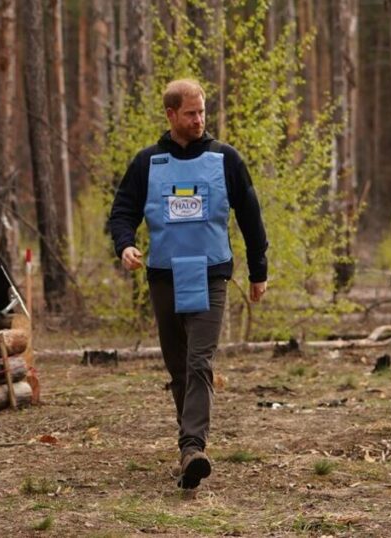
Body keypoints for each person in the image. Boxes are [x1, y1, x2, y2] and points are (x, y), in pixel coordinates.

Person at [108, 79, 269, 489]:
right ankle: (188, 450)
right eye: (190, 113)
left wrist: (258, 270)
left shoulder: (225, 159)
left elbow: (250, 216)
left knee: (200, 362)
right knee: (179, 367)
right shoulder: (148, 162)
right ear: (171, 115)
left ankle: (193, 446)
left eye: (202, 112)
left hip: (212, 271)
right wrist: (125, 246)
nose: (199, 120)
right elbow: (122, 212)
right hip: (164, 275)